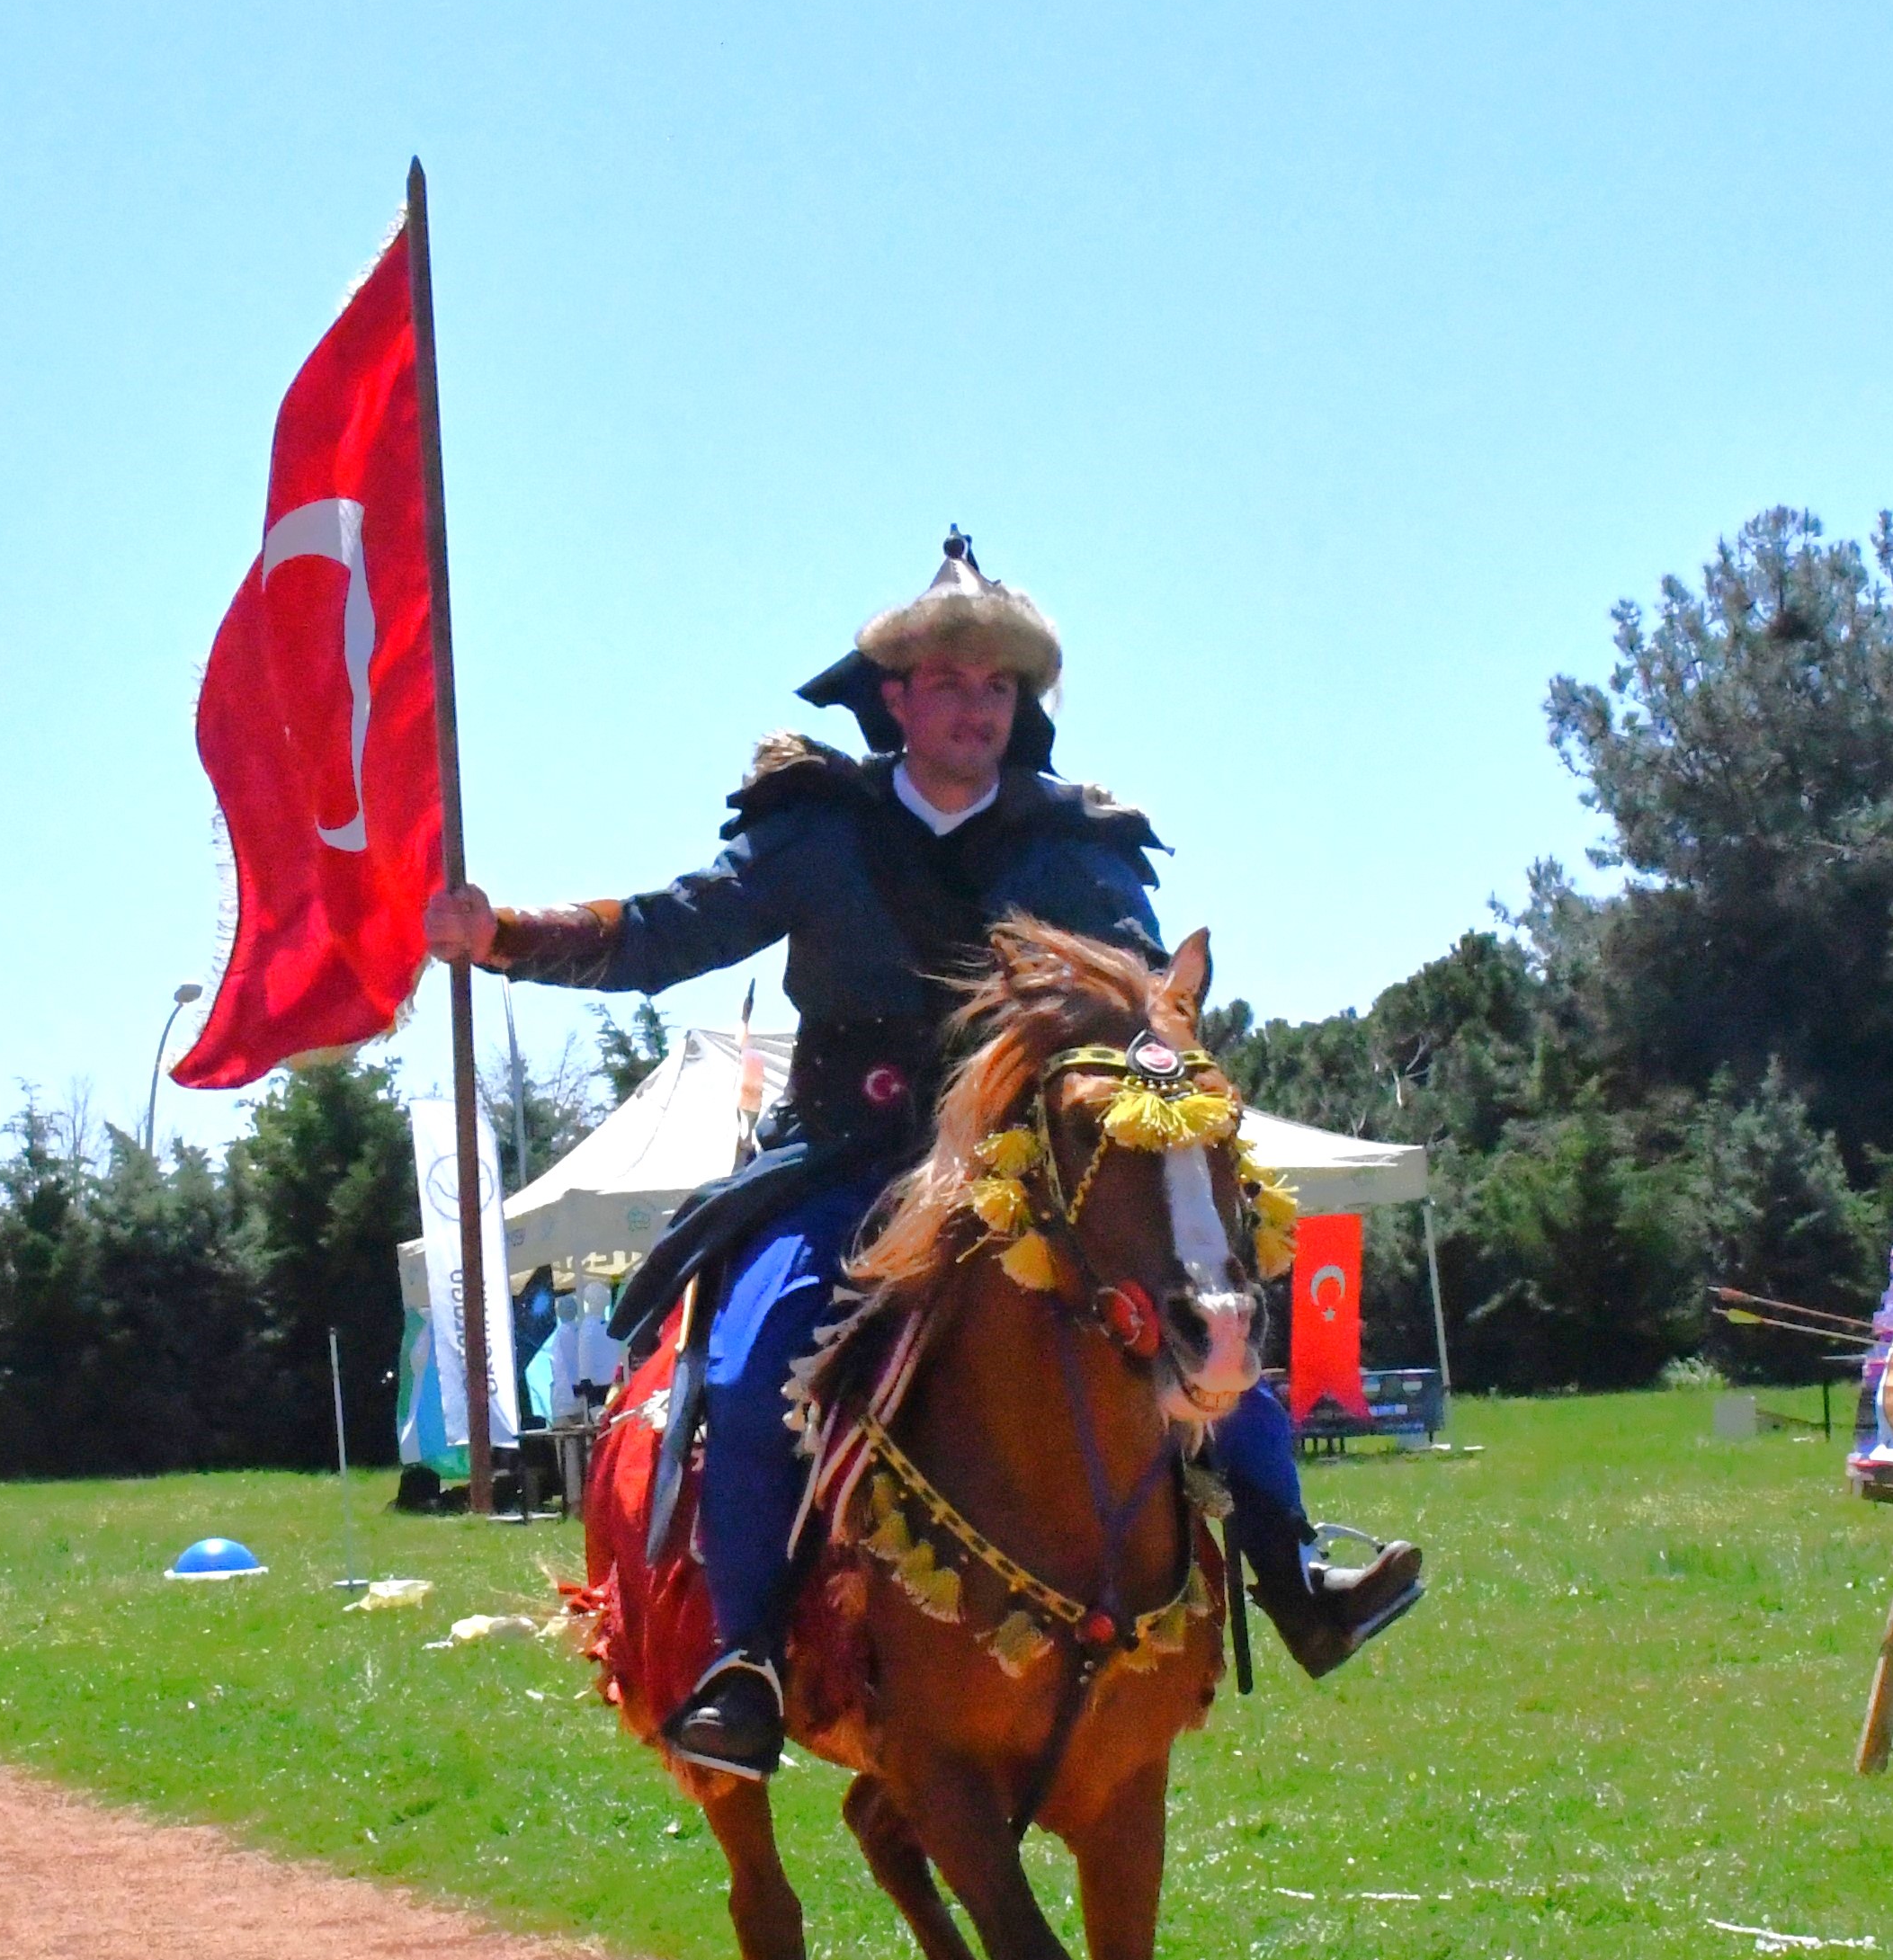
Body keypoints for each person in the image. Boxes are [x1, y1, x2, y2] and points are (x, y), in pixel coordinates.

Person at [425, 533, 1425, 1778]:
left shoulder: (1083, 846)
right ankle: (745, 1660)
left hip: (1031, 1170)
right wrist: (507, 931)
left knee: (1197, 1305)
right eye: (950, 684)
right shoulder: (816, 833)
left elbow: (1145, 1001)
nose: (976, 709)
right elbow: (676, 927)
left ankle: (1294, 1569)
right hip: (844, 1161)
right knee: (754, 1354)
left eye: (998, 689)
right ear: (893, 698)